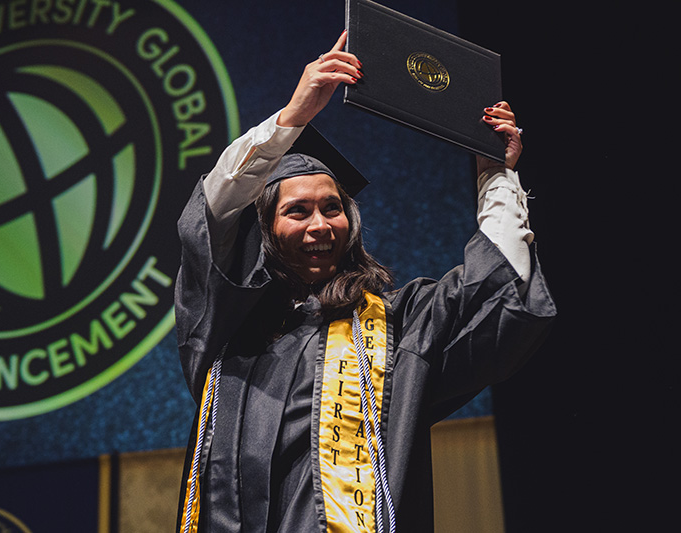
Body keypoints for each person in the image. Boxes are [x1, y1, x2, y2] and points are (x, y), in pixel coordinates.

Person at [174, 30, 555, 533]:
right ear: (264, 229)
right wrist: (293, 117)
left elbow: (501, 286)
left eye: (332, 208)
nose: (319, 224)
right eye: (297, 211)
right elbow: (214, 214)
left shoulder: (401, 325)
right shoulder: (228, 325)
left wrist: (495, 174)